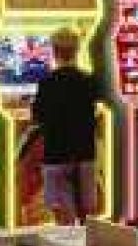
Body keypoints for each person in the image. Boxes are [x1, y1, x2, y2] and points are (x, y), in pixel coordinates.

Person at [31, 26, 105, 226]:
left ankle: (70, 245)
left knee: (64, 223)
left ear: (54, 52)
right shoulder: (88, 81)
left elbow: (37, 116)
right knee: (88, 218)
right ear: (77, 50)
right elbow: (96, 108)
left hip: (56, 156)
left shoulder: (47, 83)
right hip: (85, 155)